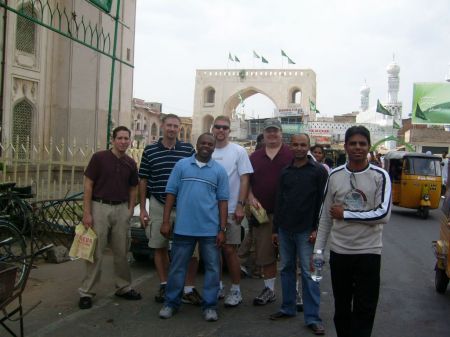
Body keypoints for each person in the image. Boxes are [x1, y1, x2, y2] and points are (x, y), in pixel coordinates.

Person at [314, 125, 392, 337]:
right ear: (346, 146)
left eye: (362, 143)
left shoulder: (380, 176)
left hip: (369, 252)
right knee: (341, 309)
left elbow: (383, 214)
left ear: (368, 147)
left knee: (365, 308)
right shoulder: (335, 175)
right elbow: (325, 217)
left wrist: (346, 214)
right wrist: (318, 251)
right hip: (340, 252)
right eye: (353, 143)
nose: (358, 147)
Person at [158, 133, 229, 322]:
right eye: (203, 143)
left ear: (214, 147)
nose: (206, 146)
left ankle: (210, 306)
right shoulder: (181, 165)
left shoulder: (219, 171)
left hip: (210, 230)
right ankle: (171, 303)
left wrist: (222, 229)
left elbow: (223, 202)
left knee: (213, 269)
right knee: (177, 267)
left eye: (210, 144)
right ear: (197, 145)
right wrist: (165, 221)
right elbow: (171, 194)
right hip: (183, 228)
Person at [138, 114, 201, 305]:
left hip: (184, 205)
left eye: (176, 126)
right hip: (158, 203)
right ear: (163, 127)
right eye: (169, 125)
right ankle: (165, 285)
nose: (172, 129)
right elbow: (143, 180)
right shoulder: (150, 151)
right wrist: (143, 208)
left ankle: (188, 288)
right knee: (159, 246)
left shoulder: (188, 149)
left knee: (192, 250)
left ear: (179, 128)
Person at [270, 134, 328, 335]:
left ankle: (312, 317)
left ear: (309, 147)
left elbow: (323, 203)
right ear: (290, 147)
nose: (299, 148)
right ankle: (288, 307)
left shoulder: (319, 172)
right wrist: (275, 229)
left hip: (307, 231)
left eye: (303, 145)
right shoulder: (285, 171)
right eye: (295, 145)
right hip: (285, 229)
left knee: (310, 273)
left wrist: (317, 229)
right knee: (286, 269)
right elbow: (279, 200)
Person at [78, 126, 141, 309]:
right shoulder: (99, 158)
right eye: (119, 138)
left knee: (121, 251)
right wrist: (87, 213)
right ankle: (86, 292)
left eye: (126, 138)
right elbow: (88, 185)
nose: (123, 141)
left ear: (129, 141)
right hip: (100, 208)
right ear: (112, 140)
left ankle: (123, 287)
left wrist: (130, 209)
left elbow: (133, 188)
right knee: (95, 252)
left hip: (121, 209)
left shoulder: (130, 163)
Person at [248, 118, 293, 305]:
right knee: (266, 255)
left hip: (289, 215)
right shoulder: (254, 157)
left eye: (275, 131)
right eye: (269, 131)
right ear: (264, 134)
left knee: (291, 255)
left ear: (281, 133)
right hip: (263, 214)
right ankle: (269, 290)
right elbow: (247, 182)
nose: (272, 134)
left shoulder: (292, 155)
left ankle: (294, 292)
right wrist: (250, 197)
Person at [211, 116, 253, 307]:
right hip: (209, 210)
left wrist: (240, 205)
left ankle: (236, 289)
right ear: (213, 129)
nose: (221, 130)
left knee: (230, 251)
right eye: (218, 127)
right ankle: (218, 286)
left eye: (225, 127)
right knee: (213, 252)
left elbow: (245, 179)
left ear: (229, 130)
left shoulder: (238, 151)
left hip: (230, 210)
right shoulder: (206, 149)